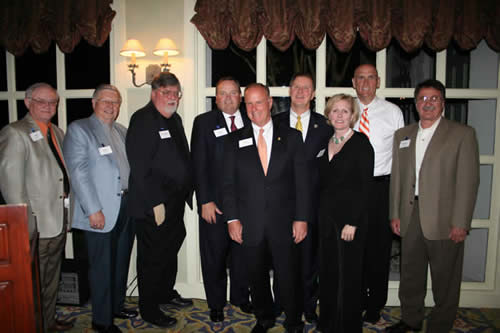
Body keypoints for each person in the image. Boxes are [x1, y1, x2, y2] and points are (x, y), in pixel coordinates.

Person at [387, 79, 480, 333]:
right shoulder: (402, 135)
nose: (427, 104)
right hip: (410, 213)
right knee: (410, 274)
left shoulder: (462, 134)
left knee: (445, 279)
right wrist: (395, 213)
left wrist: (461, 222)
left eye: (434, 99)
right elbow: (398, 177)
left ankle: (440, 325)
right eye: (422, 99)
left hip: (445, 217)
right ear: (416, 103)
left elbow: (468, 181)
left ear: (443, 103)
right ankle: (411, 320)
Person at [223, 83, 310, 333]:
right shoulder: (234, 140)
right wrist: (232, 219)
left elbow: (301, 183)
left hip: (285, 222)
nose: (253, 108)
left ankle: (294, 320)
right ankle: (264, 318)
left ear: (270, 103)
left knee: (288, 275)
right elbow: (228, 185)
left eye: (258, 102)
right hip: (249, 222)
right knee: (256, 275)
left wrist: (301, 218)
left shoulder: (292, 137)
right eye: (248, 103)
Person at [63, 85, 137, 333]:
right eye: (106, 100)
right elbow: (78, 172)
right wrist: (93, 209)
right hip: (100, 210)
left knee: (120, 262)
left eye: (115, 102)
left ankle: (116, 306)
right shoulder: (80, 129)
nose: (111, 106)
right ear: (94, 102)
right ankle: (102, 321)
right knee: (102, 266)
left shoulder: (121, 131)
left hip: (125, 206)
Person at [0, 82, 74, 332]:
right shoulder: (15, 132)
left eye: (52, 102)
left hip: (57, 220)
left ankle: (48, 320)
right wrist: (24, 226)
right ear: (27, 102)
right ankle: (33, 326)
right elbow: (11, 186)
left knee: (51, 278)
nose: (48, 106)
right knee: (32, 284)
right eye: (41, 101)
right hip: (34, 224)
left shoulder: (56, 131)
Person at [126, 72, 193, 328]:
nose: (172, 97)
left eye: (176, 93)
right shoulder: (143, 119)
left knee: (170, 247)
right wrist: (155, 202)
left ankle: (165, 292)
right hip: (154, 205)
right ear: (153, 93)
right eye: (167, 92)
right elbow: (140, 166)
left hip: (174, 202)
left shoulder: (173, 119)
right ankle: (149, 308)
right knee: (152, 256)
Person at [191, 77, 252, 322]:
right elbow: (198, 164)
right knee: (214, 256)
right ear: (216, 98)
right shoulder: (204, 123)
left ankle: (240, 297)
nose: (228, 98)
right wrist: (204, 200)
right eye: (222, 94)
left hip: (247, 205)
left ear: (241, 96)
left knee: (243, 255)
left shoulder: (252, 120)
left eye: (233, 93)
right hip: (214, 205)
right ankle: (216, 304)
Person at [273, 73, 332, 323]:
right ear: (289, 91)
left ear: (314, 93)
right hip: (279, 204)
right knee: (280, 258)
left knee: (309, 260)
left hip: (314, 205)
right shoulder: (273, 123)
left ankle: (308, 306)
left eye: (306, 88)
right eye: (296, 87)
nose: (300, 92)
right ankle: (280, 303)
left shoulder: (326, 126)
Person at [352, 64, 404, 323]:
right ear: (353, 81)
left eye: (370, 77)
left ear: (378, 81)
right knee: (354, 248)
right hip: (351, 189)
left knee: (379, 250)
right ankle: (358, 299)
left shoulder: (393, 112)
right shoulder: (346, 109)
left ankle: (375, 304)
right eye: (360, 77)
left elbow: (401, 155)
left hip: (381, 187)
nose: (365, 82)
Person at [317, 94, 374, 333]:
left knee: (347, 276)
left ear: (353, 116)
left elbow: (365, 187)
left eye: (345, 111)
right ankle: (329, 322)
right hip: (326, 220)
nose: (339, 115)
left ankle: (347, 326)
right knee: (329, 273)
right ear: (328, 115)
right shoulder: (326, 142)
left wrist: (353, 222)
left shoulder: (361, 143)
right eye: (335, 111)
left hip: (348, 222)